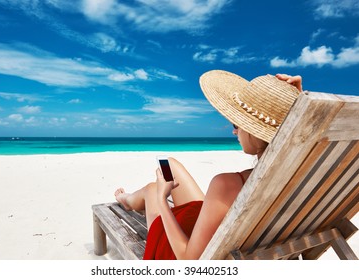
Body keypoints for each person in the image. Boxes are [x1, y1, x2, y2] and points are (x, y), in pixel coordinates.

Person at [114, 70, 303, 260]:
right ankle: (129, 199)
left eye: (235, 124)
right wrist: (297, 104)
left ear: (255, 132)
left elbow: (189, 260)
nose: (234, 132)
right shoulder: (306, 176)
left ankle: (129, 200)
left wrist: (163, 199)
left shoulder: (227, 184)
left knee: (153, 188)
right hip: (229, 237)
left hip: (190, 255)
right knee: (169, 164)